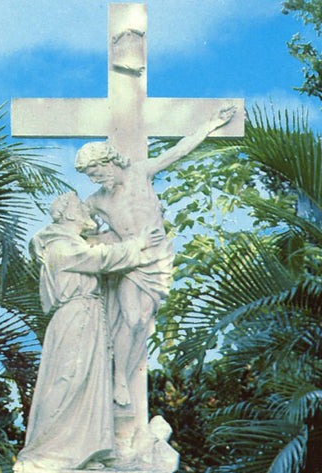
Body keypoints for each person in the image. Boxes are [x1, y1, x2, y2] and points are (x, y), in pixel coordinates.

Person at [75, 105, 236, 407]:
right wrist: (106, 241)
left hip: (158, 259)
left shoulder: (140, 173)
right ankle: (119, 378)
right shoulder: (95, 201)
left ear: (108, 162)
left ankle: (122, 373)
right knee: (131, 317)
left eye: (95, 172)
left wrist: (211, 124)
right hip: (131, 261)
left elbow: (178, 151)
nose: (95, 179)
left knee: (142, 322)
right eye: (89, 176)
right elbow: (80, 231)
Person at [16, 192, 163, 470]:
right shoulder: (59, 246)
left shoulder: (70, 242)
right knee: (68, 379)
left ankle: (83, 452)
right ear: (69, 214)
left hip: (89, 315)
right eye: (80, 207)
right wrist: (138, 243)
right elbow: (98, 259)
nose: (87, 210)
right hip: (75, 316)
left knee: (90, 384)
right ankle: (45, 451)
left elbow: (101, 253)